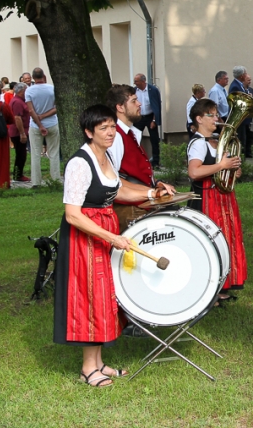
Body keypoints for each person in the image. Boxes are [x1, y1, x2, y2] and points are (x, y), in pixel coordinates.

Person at [54, 104, 165, 387]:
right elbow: (72, 214)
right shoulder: (80, 163)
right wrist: (112, 237)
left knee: (104, 296)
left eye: (113, 127)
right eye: (103, 128)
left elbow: (120, 189)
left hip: (103, 235)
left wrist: (153, 193)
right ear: (88, 132)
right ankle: (87, 368)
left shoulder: (106, 158)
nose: (110, 133)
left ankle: (99, 363)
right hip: (84, 240)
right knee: (90, 297)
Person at [187, 99, 247, 299]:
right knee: (210, 242)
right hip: (206, 198)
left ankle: (222, 286)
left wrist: (233, 169)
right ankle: (209, 289)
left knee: (225, 240)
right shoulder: (197, 143)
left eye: (216, 114)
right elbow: (194, 172)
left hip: (222, 198)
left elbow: (227, 170)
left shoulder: (216, 140)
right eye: (211, 115)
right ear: (198, 119)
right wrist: (222, 165)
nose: (217, 118)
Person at [106, 84, 176, 233]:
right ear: (120, 107)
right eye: (134, 101)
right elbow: (113, 179)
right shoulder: (116, 136)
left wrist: (157, 183)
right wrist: (149, 192)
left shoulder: (131, 132)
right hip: (131, 209)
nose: (139, 104)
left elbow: (134, 171)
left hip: (141, 203)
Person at [25, 68, 60, 186]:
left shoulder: (29, 90)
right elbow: (56, 108)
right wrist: (44, 116)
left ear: (33, 78)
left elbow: (30, 110)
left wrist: (39, 124)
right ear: (43, 76)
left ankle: (36, 182)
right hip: (52, 123)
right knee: (54, 153)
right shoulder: (52, 88)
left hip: (35, 125)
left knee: (35, 154)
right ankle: (55, 180)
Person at [132, 74, 162, 168]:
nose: (135, 83)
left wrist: (154, 120)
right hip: (138, 117)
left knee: (154, 139)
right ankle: (136, 160)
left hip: (150, 117)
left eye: (136, 81)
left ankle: (155, 162)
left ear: (143, 81)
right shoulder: (134, 91)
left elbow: (156, 106)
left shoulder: (153, 90)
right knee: (135, 138)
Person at [8, 83, 30, 182]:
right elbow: (17, 118)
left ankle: (18, 174)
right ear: (21, 91)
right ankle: (18, 175)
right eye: (26, 90)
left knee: (22, 154)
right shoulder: (17, 102)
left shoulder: (21, 101)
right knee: (21, 154)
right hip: (18, 132)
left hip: (21, 131)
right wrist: (22, 133)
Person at [0, 88, 12, 188]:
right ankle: (2, 182)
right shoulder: (3, 106)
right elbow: (11, 119)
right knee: (2, 160)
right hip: (1, 136)